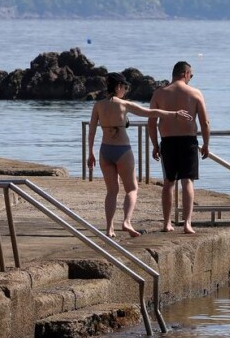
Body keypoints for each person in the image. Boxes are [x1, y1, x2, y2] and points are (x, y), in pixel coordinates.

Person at [87, 72, 190, 238]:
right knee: (132, 188)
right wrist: (174, 114)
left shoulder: (98, 105)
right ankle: (126, 221)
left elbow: (91, 130)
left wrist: (90, 153)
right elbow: (150, 112)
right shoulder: (124, 104)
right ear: (118, 87)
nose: (125, 90)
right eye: (124, 87)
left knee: (111, 191)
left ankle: (109, 228)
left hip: (105, 150)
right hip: (122, 150)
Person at [148, 61, 211, 234]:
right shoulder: (195, 93)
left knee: (168, 182)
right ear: (185, 74)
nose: (191, 78)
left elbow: (151, 123)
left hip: (167, 141)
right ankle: (187, 223)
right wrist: (206, 144)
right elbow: (204, 122)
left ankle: (167, 223)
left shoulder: (159, 93)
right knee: (187, 181)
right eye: (191, 75)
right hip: (188, 141)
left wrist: (155, 145)